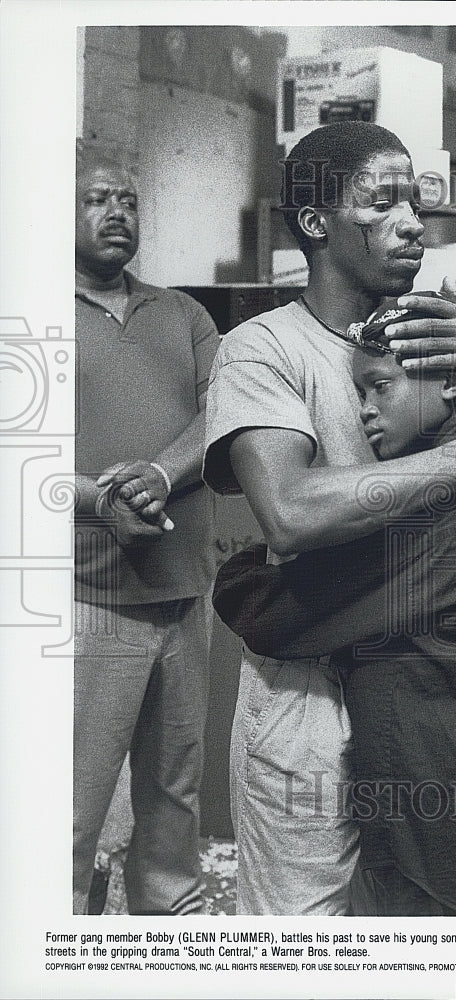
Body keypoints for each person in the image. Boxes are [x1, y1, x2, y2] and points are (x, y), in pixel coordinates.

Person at [203, 121, 456, 915]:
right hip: (309, 683)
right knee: (300, 934)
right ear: (316, 222)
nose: (413, 221)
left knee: (398, 920)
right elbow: (290, 516)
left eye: (415, 202)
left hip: (414, 691)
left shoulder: (433, 328)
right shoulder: (262, 348)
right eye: (383, 203)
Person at [73, 150, 220, 915]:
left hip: (182, 596)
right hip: (86, 604)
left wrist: (158, 475)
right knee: (69, 811)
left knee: (174, 806)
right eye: (98, 199)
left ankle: (166, 950)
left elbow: (223, 412)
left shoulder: (183, 313)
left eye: (128, 199)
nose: (118, 212)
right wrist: (102, 500)